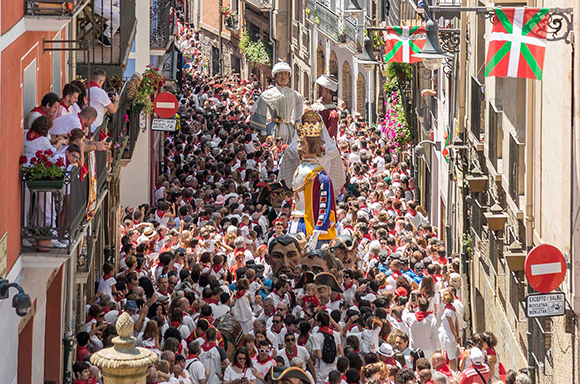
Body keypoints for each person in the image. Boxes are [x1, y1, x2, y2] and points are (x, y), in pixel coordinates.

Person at [288, 110, 338, 250]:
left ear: (312, 145)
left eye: (302, 144)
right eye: (298, 143)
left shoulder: (321, 177)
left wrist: (316, 233)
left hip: (312, 229)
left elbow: (325, 207)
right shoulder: (299, 169)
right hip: (296, 223)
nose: (299, 148)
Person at [250, 62, 303, 144]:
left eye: (286, 73)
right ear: (275, 76)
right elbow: (261, 113)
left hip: (290, 131)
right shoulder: (267, 94)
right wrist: (263, 132)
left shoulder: (296, 95)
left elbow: (298, 117)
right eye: (280, 74)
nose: (283, 77)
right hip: (272, 130)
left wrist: (299, 133)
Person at [88, 69, 119, 133]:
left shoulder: (84, 88)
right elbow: (113, 110)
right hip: (94, 128)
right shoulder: (99, 92)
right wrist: (116, 100)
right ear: (101, 81)